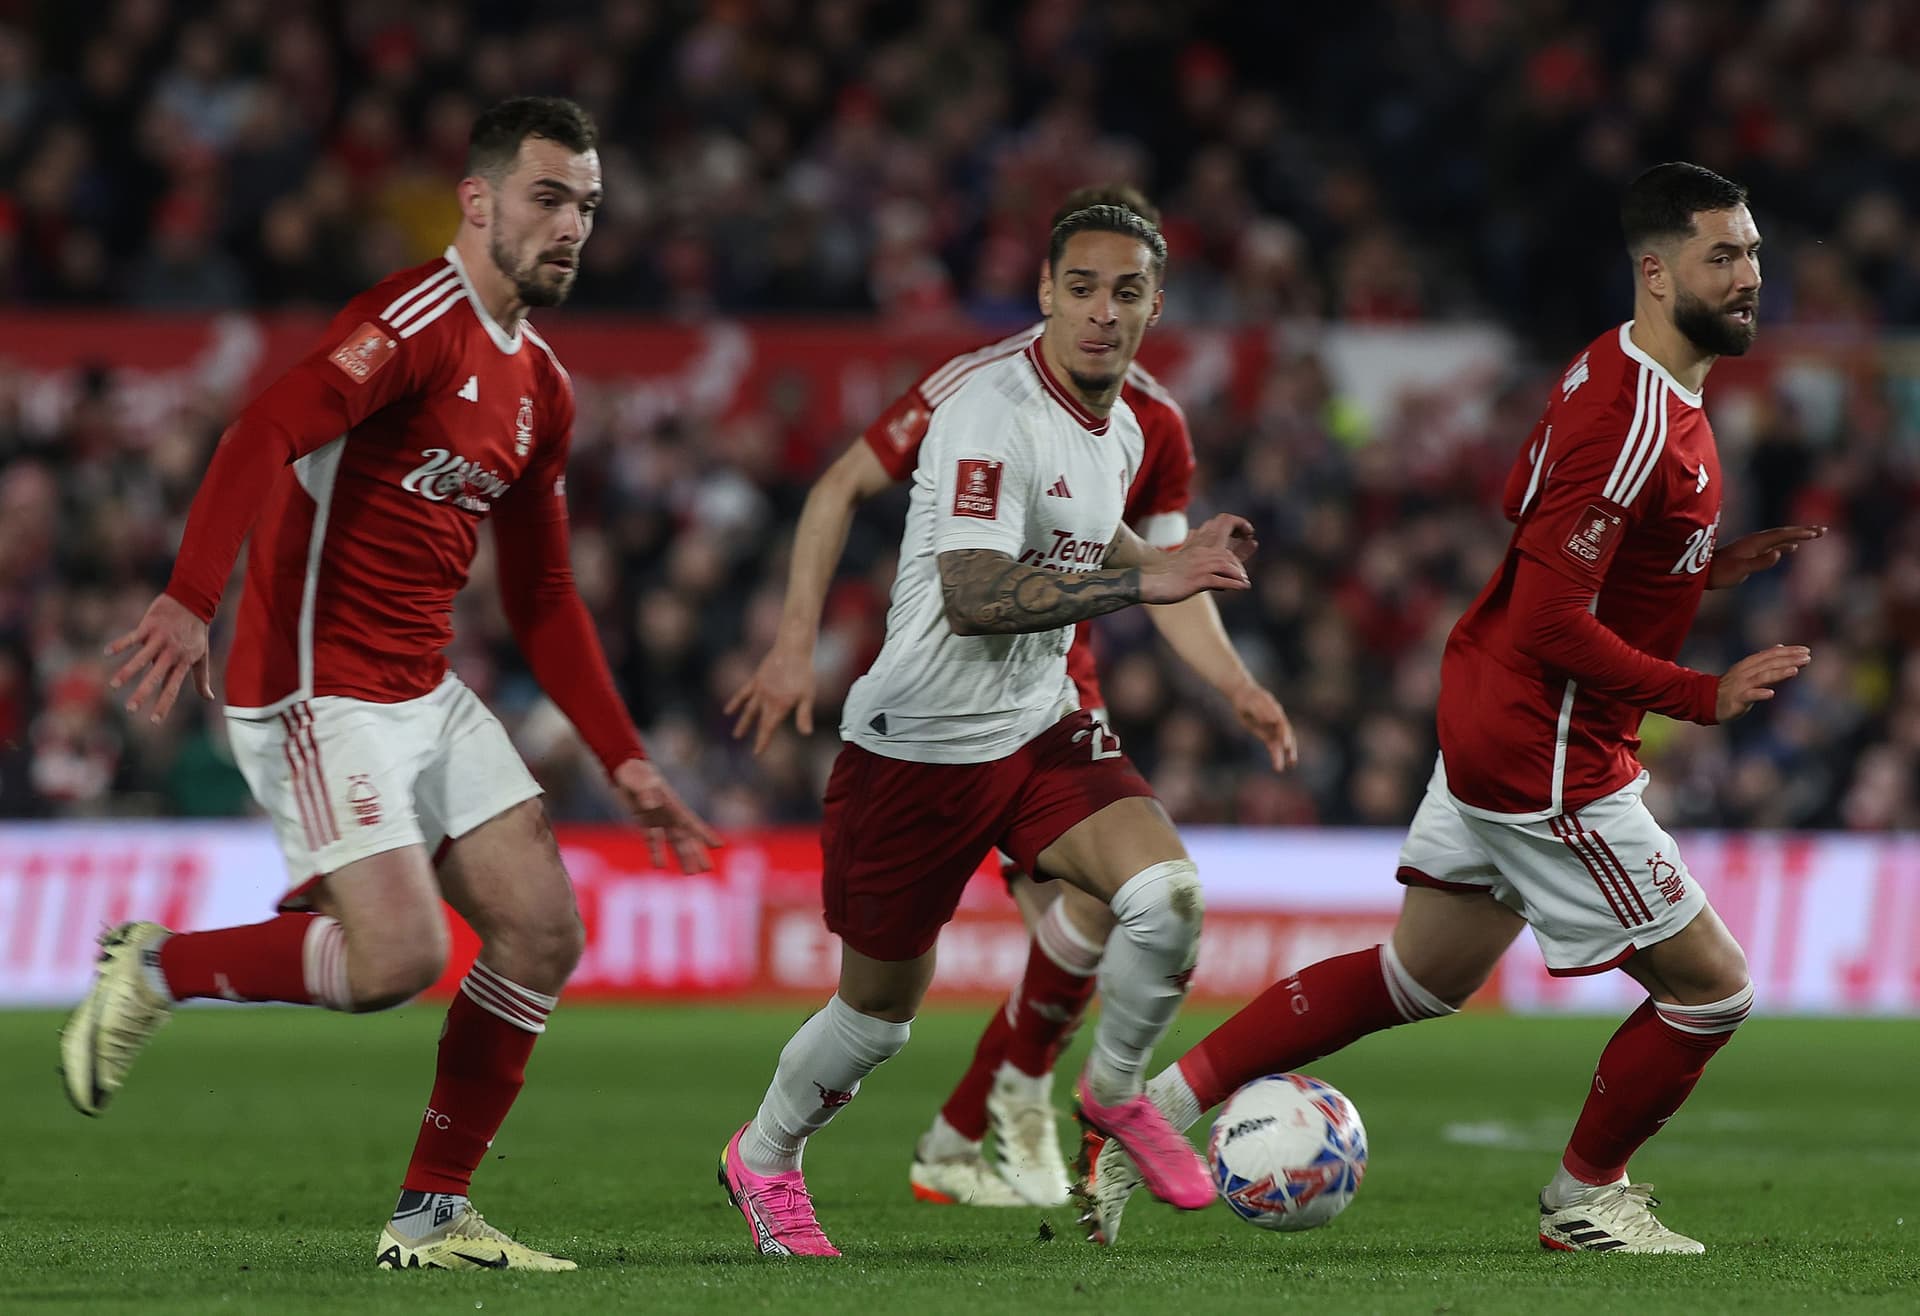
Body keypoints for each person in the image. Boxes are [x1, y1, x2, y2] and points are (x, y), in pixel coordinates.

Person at [1077, 162, 1825, 1255]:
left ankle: (1143, 1113)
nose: (1751, 273)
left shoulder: (1605, 371)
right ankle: (1585, 1201)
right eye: (1725, 255)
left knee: (1415, 977)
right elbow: (1551, 620)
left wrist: (1695, 567)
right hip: (1548, 749)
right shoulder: (1636, 417)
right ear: (1657, 274)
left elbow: (1533, 519)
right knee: (1712, 991)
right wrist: (1703, 693)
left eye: (1754, 250)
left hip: (1490, 717)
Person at [59, 97, 717, 1272]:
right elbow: (262, 429)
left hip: (422, 684)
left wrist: (627, 758)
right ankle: (154, 965)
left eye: (589, 206)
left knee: (542, 929)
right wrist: (189, 595)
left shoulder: (545, 387)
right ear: (478, 202)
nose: (572, 225)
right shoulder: (414, 320)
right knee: (396, 964)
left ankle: (432, 1217)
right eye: (549, 197)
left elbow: (546, 598)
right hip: (314, 684)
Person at [725, 185, 1295, 1210]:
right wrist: (1146, 577)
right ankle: (764, 1155)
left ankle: (1112, 1093)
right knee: (877, 1018)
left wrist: (1193, 600)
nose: (1102, 312)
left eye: (1127, 293)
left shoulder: (1133, 424)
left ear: (1156, 306)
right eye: (1081, 288)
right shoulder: (983, 403)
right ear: (1044, 290)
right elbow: (975, 593)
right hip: (922, 741)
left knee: (1164, 898)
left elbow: (1098, 528)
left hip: (1039, 723)